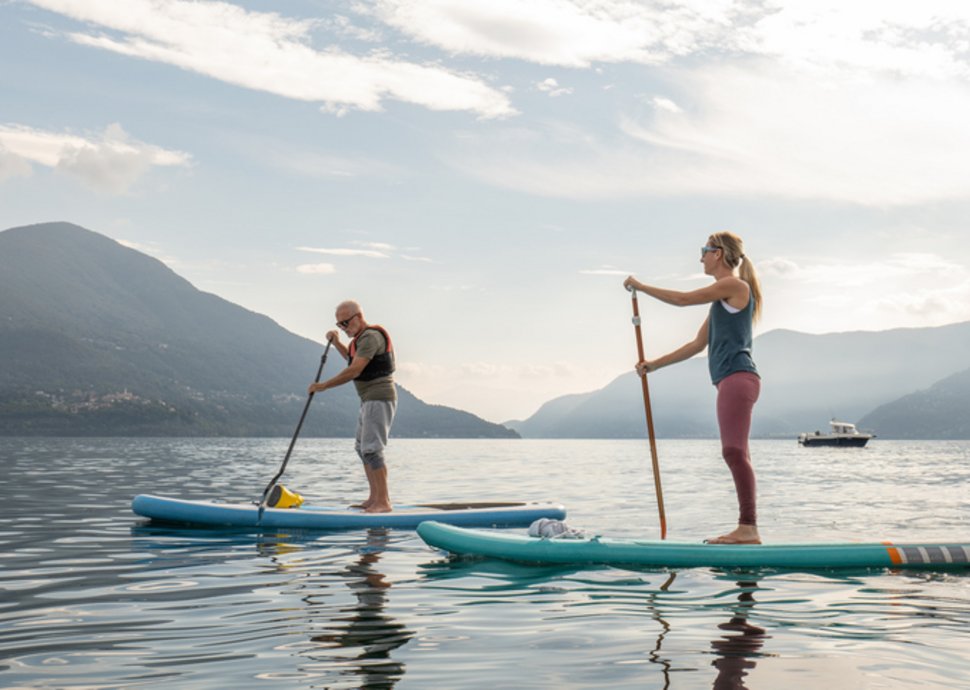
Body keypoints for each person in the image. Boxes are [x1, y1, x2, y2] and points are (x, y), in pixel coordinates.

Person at [623, 232, 763, 544]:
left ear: (720, 254)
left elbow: (683, 300)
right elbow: (697, 345)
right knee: (738, 453)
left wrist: (641, 287)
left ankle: (748, 528)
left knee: (733, 451)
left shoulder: (735, 286)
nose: (700, 257)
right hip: (732, 380)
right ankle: (748, 528)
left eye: (704, 250)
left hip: (738, 378)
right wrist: (653, 365)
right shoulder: (720, 302)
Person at [309, 300, 397, 513]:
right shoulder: (359, 340)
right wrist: (337, 342)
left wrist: (324, 386)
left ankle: (383, 502)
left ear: (358, 317)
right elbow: (351, 358)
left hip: (379, 397)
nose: (344, 328)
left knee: (372, 449)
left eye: (345, 323)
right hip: (368, 399)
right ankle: (373, 498)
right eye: (339, 325)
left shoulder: (370, 337)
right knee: (362, 448)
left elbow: (355, 370)